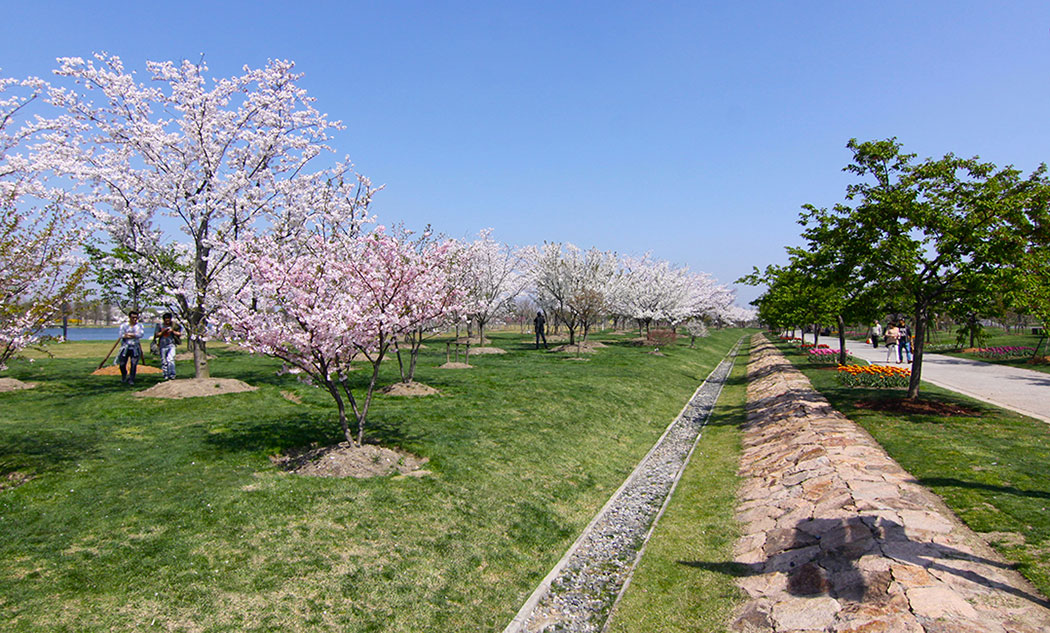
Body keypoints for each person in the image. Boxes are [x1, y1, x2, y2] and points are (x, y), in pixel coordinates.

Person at [116, 310, 144, 385]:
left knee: (134, 363)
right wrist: (132, 335)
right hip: (125, 347)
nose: (135, 319)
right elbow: (121, 335)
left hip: (135, 347)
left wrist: (129, 335)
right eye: (133, 317)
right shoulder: (124, 325)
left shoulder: (139, 326)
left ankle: (131, 379)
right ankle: (124, 375)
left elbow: (140, 334)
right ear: (129, 317)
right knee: (122, 364)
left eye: (136, 317)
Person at [153, 312, 182, 380]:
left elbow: (179, 333)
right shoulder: (160, 325)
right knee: (164, 361)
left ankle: (172, 374)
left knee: (171, 359)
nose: (167, 321)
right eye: (166, 319)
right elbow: (157, 334)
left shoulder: (174, 325)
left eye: (168, 319)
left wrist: (172, 331)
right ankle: (165, 374)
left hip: (171, 344)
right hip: (162, 345)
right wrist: (163, 332)